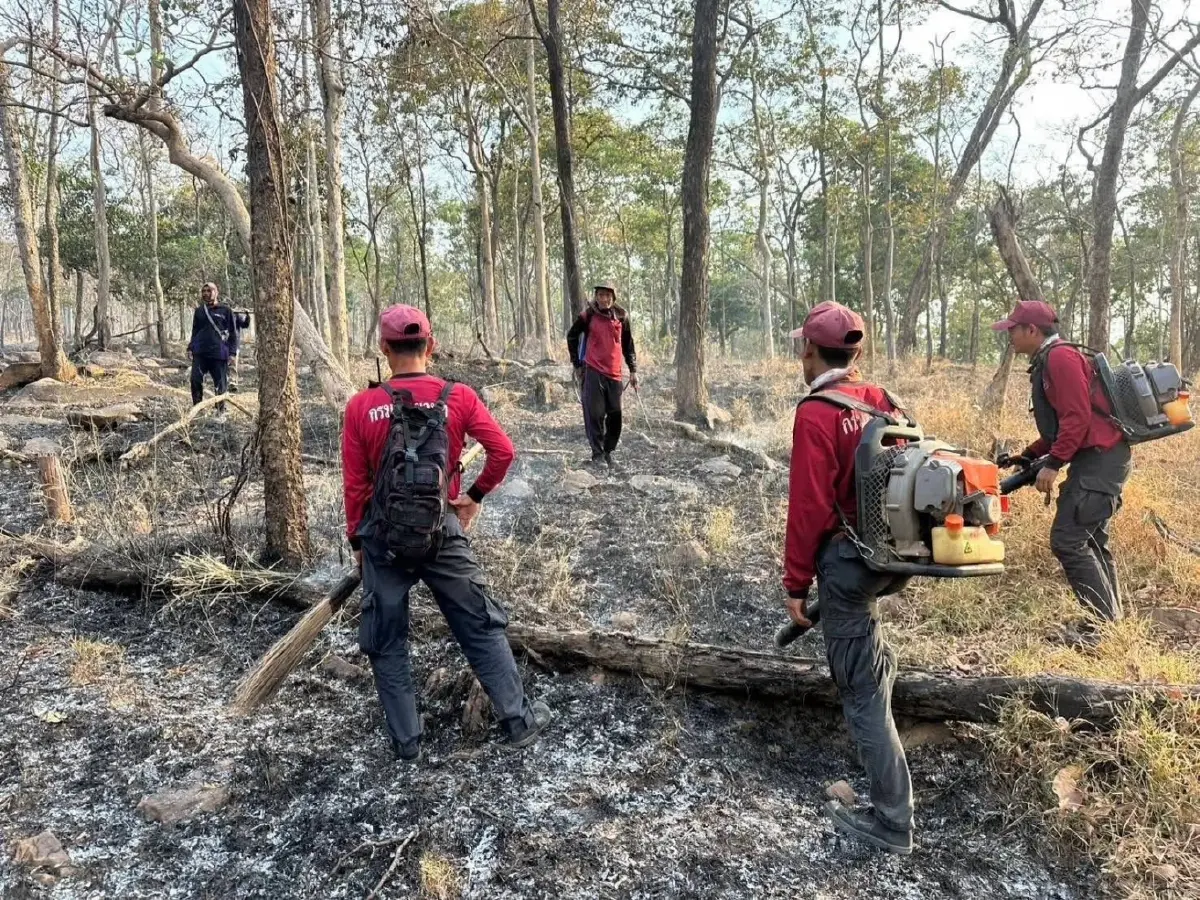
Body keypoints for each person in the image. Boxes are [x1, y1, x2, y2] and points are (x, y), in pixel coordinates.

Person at [342, 304, 551, 761]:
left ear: (383, 348)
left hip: (383, 538)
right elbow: (503, 451)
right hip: (443, 530)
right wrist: (473, 496)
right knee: (479, 624)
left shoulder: (362, 406)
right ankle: (518, 722)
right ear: (430, 346)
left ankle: (407, 743)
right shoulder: (458, 396)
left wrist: (359, 543)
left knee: (387, 640)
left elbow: (355, 485)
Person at [783, 301, 913, 855]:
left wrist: (795, 584)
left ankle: (892, 822)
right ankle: (877, 679)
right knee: (869, 662)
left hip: (845, 563)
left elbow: (809, 506)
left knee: (860, 693)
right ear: (856, 352)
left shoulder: (816, 412)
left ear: (809, 350)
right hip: (887, 560)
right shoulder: (883, 400)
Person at [993, 300, 1129, 630]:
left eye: (1013, 329)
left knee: (1067, 540)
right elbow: (1063, 426)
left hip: (1100, 461)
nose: (1009, 335)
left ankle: (1101, 629)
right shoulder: (1050, 359)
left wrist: (1053, 464)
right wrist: (1028, 454)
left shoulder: (1061, 358)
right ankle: (1114, 625)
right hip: (1100, 459)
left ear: (1032, 330)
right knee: (1093, 541)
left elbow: (1077, 418)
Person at [566, 280, 638, 467]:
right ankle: (597, 455)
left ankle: (608, 452)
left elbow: (628, 345)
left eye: (607, 295)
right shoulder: (587, 316)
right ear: (596, 297)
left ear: (613, 297)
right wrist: (577, 364)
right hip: (593, 371)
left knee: (615, 415)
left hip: (615, 374)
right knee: (595, 414)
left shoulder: (622, 317)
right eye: (600, 295)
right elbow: (572, 336)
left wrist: (633, 370)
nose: (603, 299)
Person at [187, 282, 238, 412]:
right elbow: (195, 331)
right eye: (203, 291)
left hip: (219, 354)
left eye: (209, 291)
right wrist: (190, 347)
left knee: (220, 384)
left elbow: (233, 333)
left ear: (216, 292)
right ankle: (197, 408)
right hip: (200, 353)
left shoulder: (226, 310)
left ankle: (220, 410)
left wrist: (232, 353)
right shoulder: (199, 311)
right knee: (195, 380)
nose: (206, 293)